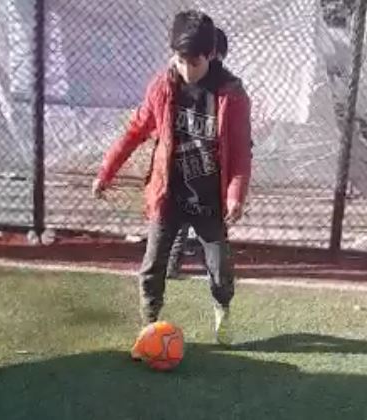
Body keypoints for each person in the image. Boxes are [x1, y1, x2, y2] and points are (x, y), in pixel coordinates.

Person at [92, 11, 252, 348]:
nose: (187, 69)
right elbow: (135, 131)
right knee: (153, 265)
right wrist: (106, 170)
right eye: (181, 61)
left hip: (210, 201)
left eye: (195, 62)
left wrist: (235, 195)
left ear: (211, 54)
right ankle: (149, 326)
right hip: (169, 195)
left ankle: (222, 308)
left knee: (220, 269)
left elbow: (240, 152)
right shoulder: (162, 87)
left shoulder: (232, 95)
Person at [166, 26, 230, 280]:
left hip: (209, 170)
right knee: (178, 219)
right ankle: (171, 264)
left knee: (212, 223)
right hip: (183, 166)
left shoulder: (223, 88)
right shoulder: (177, 83)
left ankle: (214, 269)